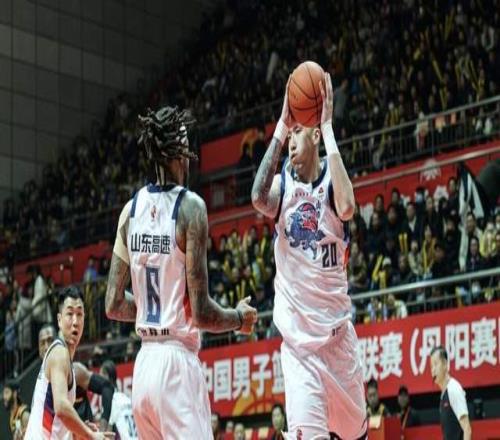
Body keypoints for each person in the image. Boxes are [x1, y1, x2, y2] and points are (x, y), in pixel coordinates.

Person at [105, 106, 257, 439]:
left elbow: (113, 304)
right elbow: (201, 313)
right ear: (179, 153)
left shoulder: (129, 212)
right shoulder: (191, 208)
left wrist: (153, 309)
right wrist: (238, 318)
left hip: (143, 369)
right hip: (176, 367)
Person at [251, 73, 367, 439]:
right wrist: (282, 126)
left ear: (315, 136)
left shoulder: (333, 181)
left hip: (338, 343)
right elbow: (257, 197)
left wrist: (328, 128)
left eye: (299, 132)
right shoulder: (283, 186)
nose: (291, 141)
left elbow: (347, 207)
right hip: (300, 353)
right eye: (291, 135)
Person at [25, 286, 114, 439]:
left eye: (79, 314)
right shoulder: (59, 353)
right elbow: (61, 407)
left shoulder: (67, 360)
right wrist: (90, 435)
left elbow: (55, 421)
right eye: (70, 314)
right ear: (59, 320)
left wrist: (79, 431)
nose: (75, 321)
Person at [38, 324, 115, 430]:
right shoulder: (41, 380)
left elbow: (107, 387)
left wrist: (103, 426)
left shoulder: (74, 371)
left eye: (50, 341)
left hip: (84, 434)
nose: (46, 347)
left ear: (57, 343)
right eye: (42, 343)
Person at [430, 346, 472, 440]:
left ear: (445, 364)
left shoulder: (453, 389)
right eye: (431, 366)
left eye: (436, 364)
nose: (433, 370)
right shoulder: (443, 395)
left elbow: (467, 429)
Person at [100, 360, 138, 439]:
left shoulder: (109, 399)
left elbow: (107, 434)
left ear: (106, 376)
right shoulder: (124, 397)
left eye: (99, 377)